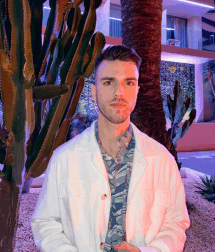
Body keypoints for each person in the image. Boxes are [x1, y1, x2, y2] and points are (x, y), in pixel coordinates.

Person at [31, 45, 190, 252]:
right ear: (94, 92)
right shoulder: (64, 159)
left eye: (129, 83)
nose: (119, 93)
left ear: (137, 91)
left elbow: (175, 225)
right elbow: (46, 223)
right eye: (108, 82)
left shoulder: (162, 159)